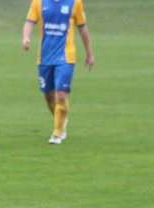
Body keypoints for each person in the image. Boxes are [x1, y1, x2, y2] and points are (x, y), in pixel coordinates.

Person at [22, 0, 94, 144]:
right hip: (45, 57)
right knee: (48, 96)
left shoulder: (75, 3)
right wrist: (26, 37)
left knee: (61, 94)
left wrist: (89, 53)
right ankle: (61, 119)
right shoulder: (38, 2)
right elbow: (29, 22)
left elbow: (82, 28)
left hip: (66, 57)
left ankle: (57, 133)